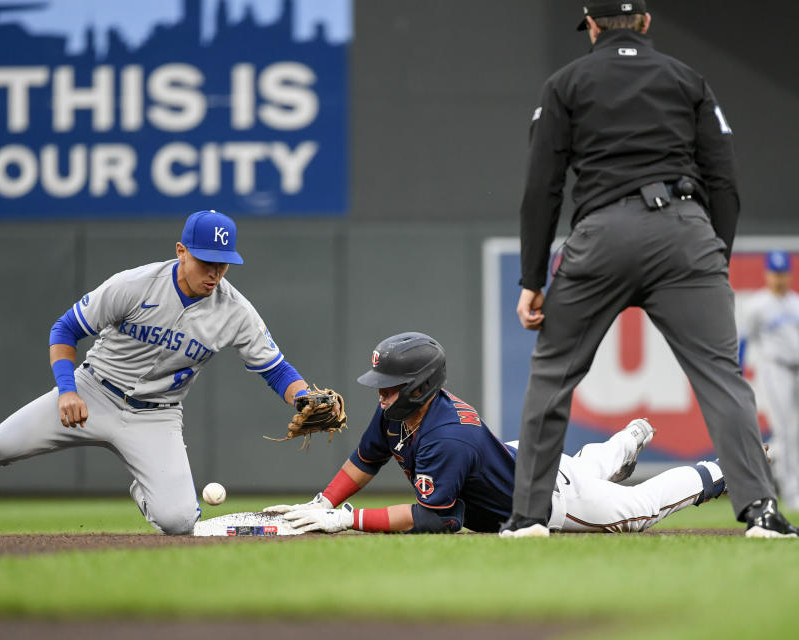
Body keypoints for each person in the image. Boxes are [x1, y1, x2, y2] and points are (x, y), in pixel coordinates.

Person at [504, 0, 797, 538]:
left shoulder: (565, 83)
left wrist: (531, 279)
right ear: (645, 22)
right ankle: (762, 513)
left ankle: (527, 517)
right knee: (722, 379)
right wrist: (713, 260)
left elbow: (541, 188)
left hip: (600, 236)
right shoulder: (688, 79)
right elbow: (724, 180)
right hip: (685, 234)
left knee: (553, 375)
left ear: (591, 25)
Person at [0, 210, 316, 537]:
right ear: (180, 251)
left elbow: (275, 369)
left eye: (223, 264)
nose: (215, 273)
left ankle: (146, 486)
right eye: (204, 261)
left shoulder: (235, 311)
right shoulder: (134, 285)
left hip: (154, 416)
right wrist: (66, 389)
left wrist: (302, 399)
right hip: (91, 391)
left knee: (178, 523)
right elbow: (65, 329)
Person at [267, 332, 729, 535]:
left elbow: (439, 519)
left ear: (420, 387)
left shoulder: (446, 438)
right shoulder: (398, 412)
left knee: (637, 513)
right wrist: (324, 502)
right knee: (580, 467)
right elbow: (367, 458)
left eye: (391, 387)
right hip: (510, 461)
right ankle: (627, 440)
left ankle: (719, 469)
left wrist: (351, 519)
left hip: (546, 500)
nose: (381, 395)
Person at [740, 250, 799, 511]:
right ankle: (792, 493)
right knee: (786, 433)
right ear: (767, 274)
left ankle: (759, 461)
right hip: (774, 370)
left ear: (790, 274)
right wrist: (737, 372)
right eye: (775, 273)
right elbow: (743, 340)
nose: (779, 279)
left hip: (796, 369)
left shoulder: (795, 302)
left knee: (793, 434)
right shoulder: (757, 305)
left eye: (783, 273)